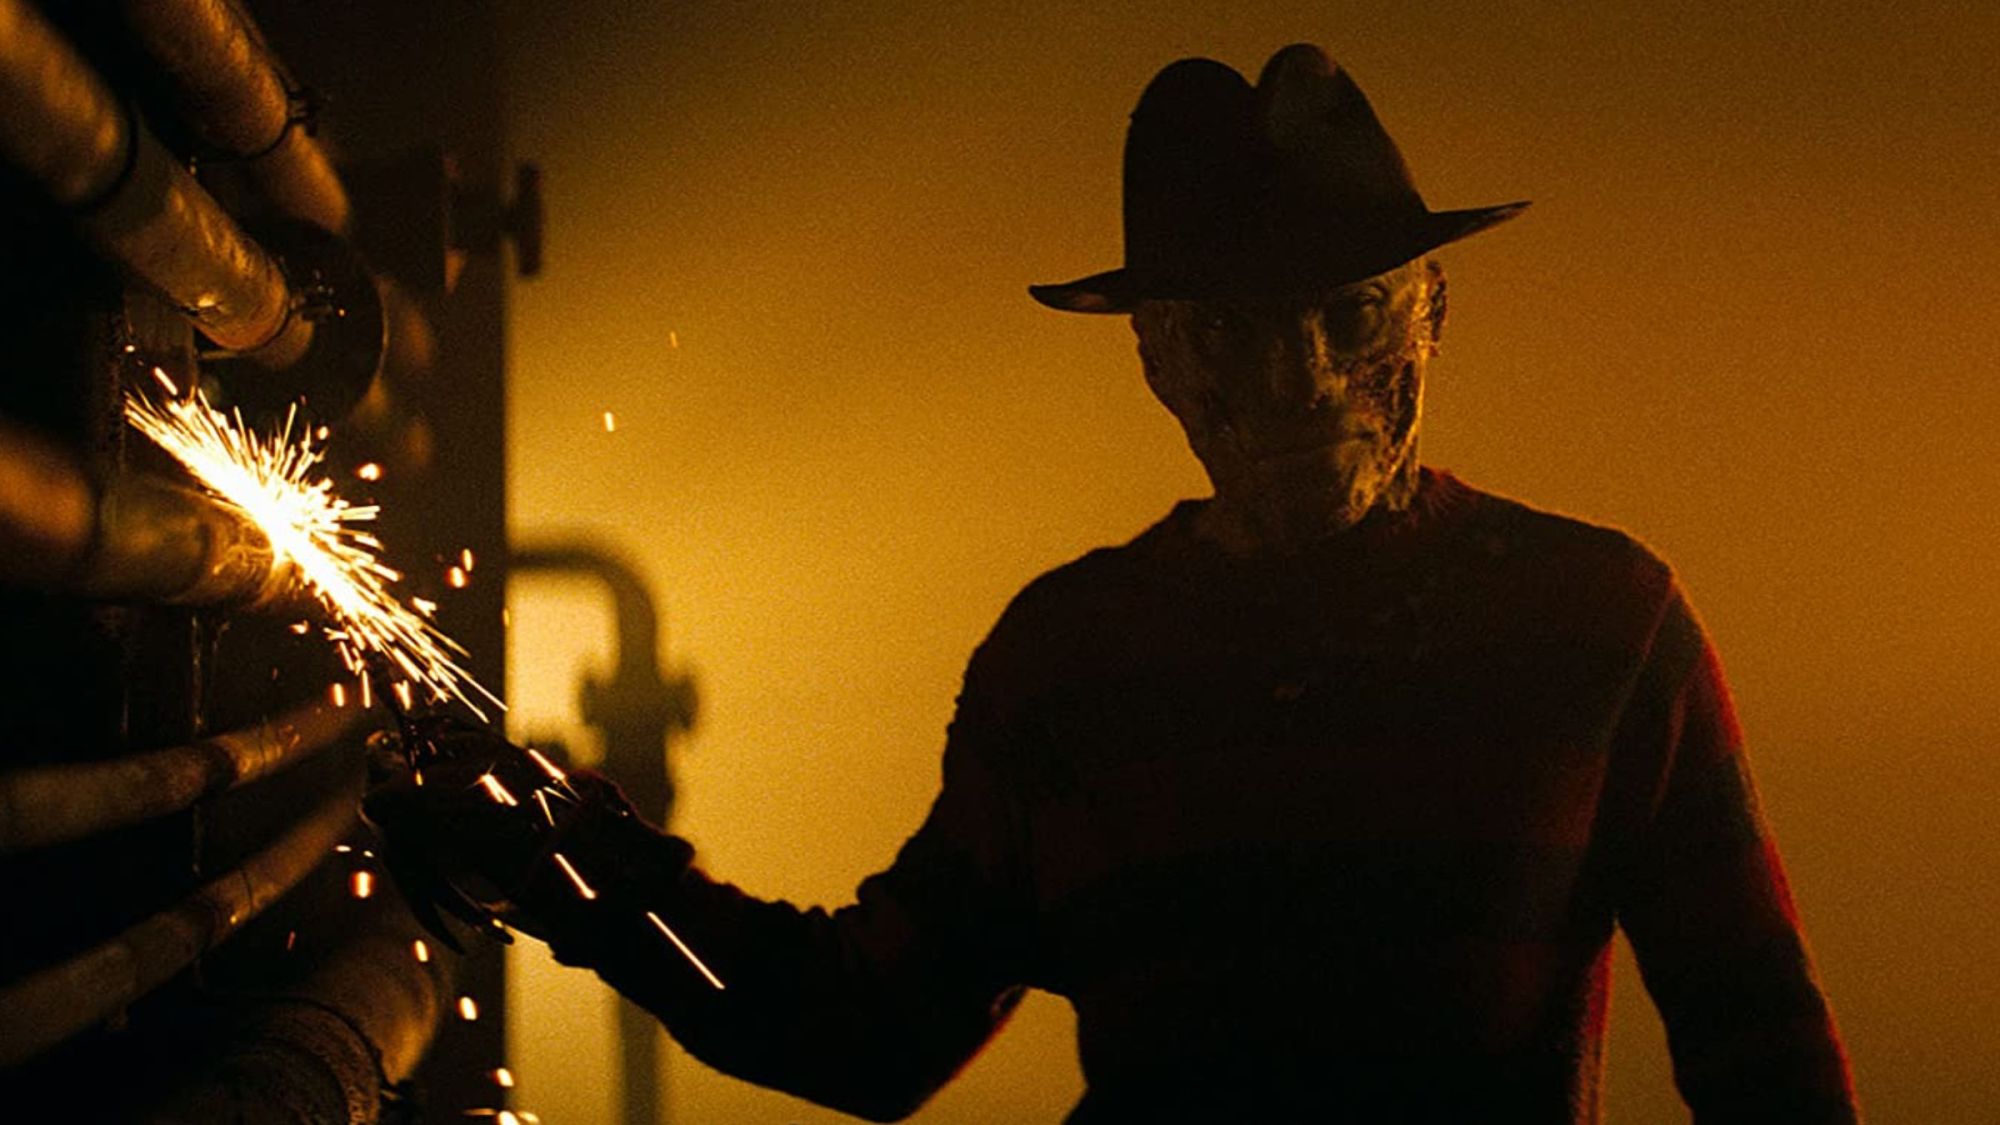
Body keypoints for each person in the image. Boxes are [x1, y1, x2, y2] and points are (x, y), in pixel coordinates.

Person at [367, 44, 1859, 1123]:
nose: (1297, 379)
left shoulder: (1603, 631)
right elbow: (872, 1028)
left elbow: (1767, 1058)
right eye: (1231, 331)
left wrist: (573, 870)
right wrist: (564, 862)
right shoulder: (1071, 666)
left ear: (1432, 313)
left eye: (1347, 317)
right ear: (1158, 357)